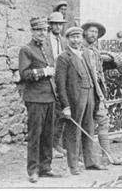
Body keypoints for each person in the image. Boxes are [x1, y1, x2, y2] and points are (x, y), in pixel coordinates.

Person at [55, 27, 107, 175]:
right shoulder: (63, 58)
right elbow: (60, 85)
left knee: (89, 128)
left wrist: (97, 97)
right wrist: (65, 106)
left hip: (89, 94)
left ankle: (90, 161)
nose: (76, 40)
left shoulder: (85, 54)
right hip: (75, 99)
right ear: (67, 39)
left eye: (78, 37)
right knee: (73, 131)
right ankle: (73, 165)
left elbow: (92, 75)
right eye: (73, 37)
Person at [19, 17, 61, 183]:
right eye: (38, 30)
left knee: (48, 135)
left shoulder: (47, 49)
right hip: (35, 98)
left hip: (49, 97)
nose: (42, 33)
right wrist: (44, 72)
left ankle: (46, 167)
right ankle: (33, 170)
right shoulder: (26, 49)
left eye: (44, 30)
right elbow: (24, 74)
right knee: (35, 135)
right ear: (32, 31)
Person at [82, 21, 122, 165]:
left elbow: (99, 73)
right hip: (85, 92)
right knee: (86, 124)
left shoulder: (95, 51)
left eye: (96, 32)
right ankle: (83, 158)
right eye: (91, 31)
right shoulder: (82, 50)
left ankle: (107, 155)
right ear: (85, 33)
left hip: (97, 91)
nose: (93, 34)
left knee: (103, 122)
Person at [47, 11, 68, 158]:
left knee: (61, 113)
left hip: (61, 80)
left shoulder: (63, 41)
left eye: (60, 24)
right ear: (50, 25)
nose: (58, 27)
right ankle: (48, 147)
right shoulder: (45, 41)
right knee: (51, 114)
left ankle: (56, 143)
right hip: (48, 80)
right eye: (55, 24)